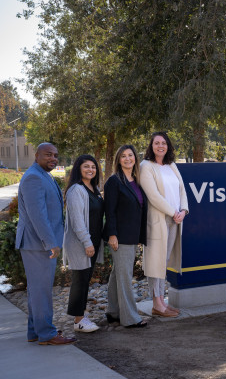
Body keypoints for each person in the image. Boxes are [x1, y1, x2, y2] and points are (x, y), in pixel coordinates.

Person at [15, 143, 76, 345]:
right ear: (36, 155)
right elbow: (37, 216)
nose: (53, 158)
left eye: (56, 155)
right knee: (41, 290)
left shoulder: (42, 174)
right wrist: (51, 242)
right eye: (48, 154)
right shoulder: (33, 177)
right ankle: (47, 334)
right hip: (38, 244)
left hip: (37, 243)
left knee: (37, 289)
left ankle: (35, 332)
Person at [140, 132, 189, 317]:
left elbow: (182, 190)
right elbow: (153, 196)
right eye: (156, 143)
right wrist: (173, 212)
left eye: (164, 143)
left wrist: (183, 211)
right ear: (151, 146)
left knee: (164, 262)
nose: (160, 146)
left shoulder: (171, 166)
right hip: (158, 221)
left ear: (168, 146)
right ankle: (156, 304)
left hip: (175, 220)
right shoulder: (146, 166)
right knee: (155, 262)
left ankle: (162, 301)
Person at [104, 145, 149, 328]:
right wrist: (112, 235)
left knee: (118, 275)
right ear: (118, 160)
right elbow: (110, 211)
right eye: (123, 156)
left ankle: (113, 312)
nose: (127, 158)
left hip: (131, 236)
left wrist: (139, 235)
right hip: (119, 237)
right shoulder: (114, 182)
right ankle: (130, 318)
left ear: (135, 158)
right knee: (125, 277)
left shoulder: (136, 181)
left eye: (130, 155)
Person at [63, 155, 104, 332]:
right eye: (86, 166)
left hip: (92, 241)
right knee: (80, 280)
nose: (90, 169)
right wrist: (87, 243)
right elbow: (77, 221)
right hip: (81, 243)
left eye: (93, 167)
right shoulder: (76, 190)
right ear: (78, 169)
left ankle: (81, 316)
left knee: (85, 279)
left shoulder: (94, 189)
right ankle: (79, 320)